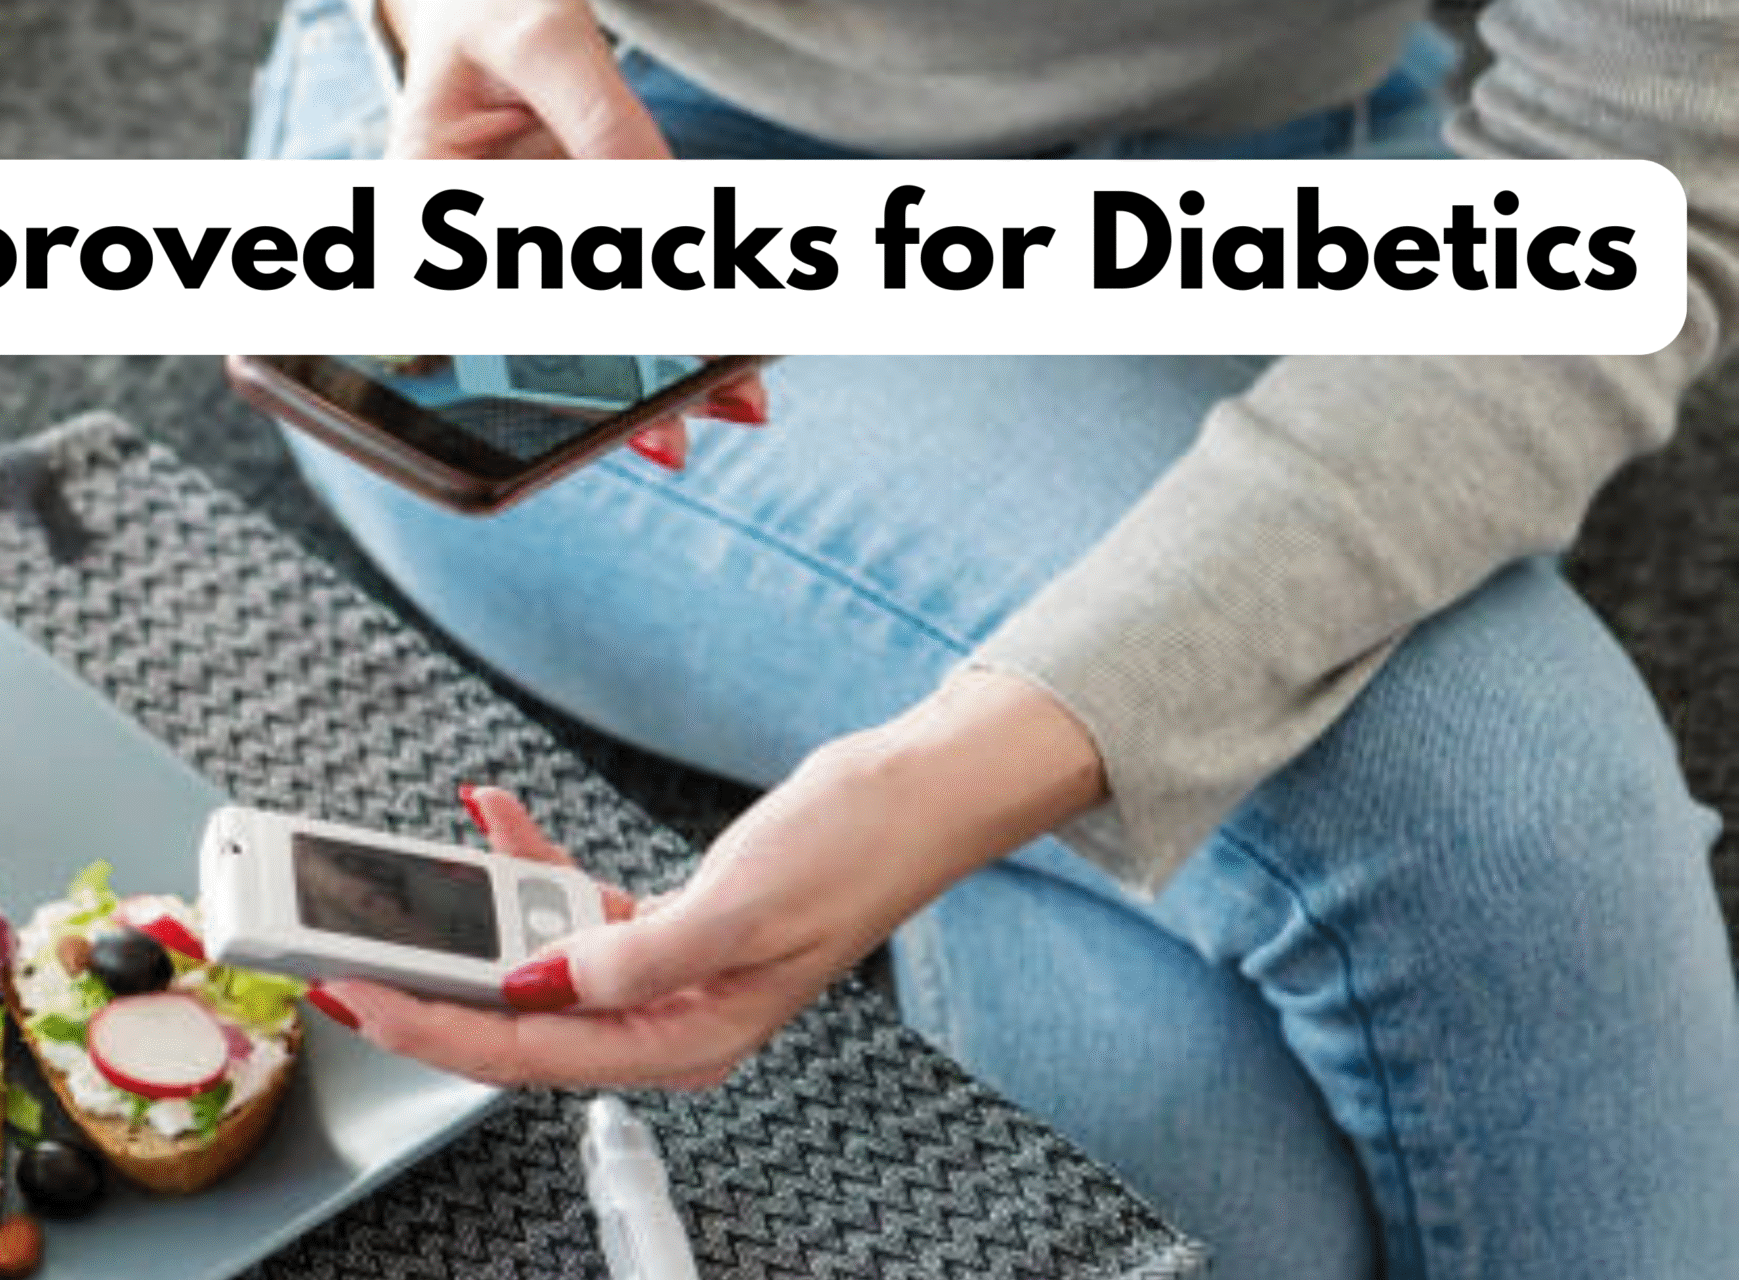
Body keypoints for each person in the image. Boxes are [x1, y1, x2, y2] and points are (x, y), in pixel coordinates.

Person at [246, 1, 1739, 1277]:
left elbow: (1636, 179)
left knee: (1187, 1088)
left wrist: (951, 784)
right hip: (609, 156)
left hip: (1311, 159)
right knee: (1508, 795)